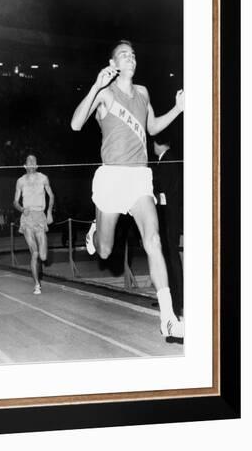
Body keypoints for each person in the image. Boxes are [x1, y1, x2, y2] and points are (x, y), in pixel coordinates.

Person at [71, 40, 184, 338]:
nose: (130, 58)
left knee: (154, 240)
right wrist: (95, 86)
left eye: (133, 54)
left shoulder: (143, 93)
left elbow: (153, 128)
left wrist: (178, 108)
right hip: (111, 178)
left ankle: (169, 318)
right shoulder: (105, 94)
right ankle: (97, 228)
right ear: (114, 63)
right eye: (124, 55)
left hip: (138, 178)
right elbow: (75, 124)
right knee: (105, 251)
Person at [13, 155, 55, 295]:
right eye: (29, 161)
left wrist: (49, 212)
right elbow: (15, 202)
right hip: (27, 217)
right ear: (25, 166)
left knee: (43, 256)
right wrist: (21, 209)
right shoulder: (20, 181)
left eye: (34, 161)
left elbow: (52, 195)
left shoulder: (43, 178)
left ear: (37, 165)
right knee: (34, 253)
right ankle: (37, 284)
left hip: (40, 216)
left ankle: (40, 266)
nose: (31, 163)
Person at [153, 134, 184, 317]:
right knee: (168, 256)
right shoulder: (167, 159)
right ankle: (173, 299)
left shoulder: (167, 161)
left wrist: (153, 200)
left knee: (170, 257)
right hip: (169, 214)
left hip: (168, 216)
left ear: (158, 144)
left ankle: (177, 300)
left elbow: (168, 191)